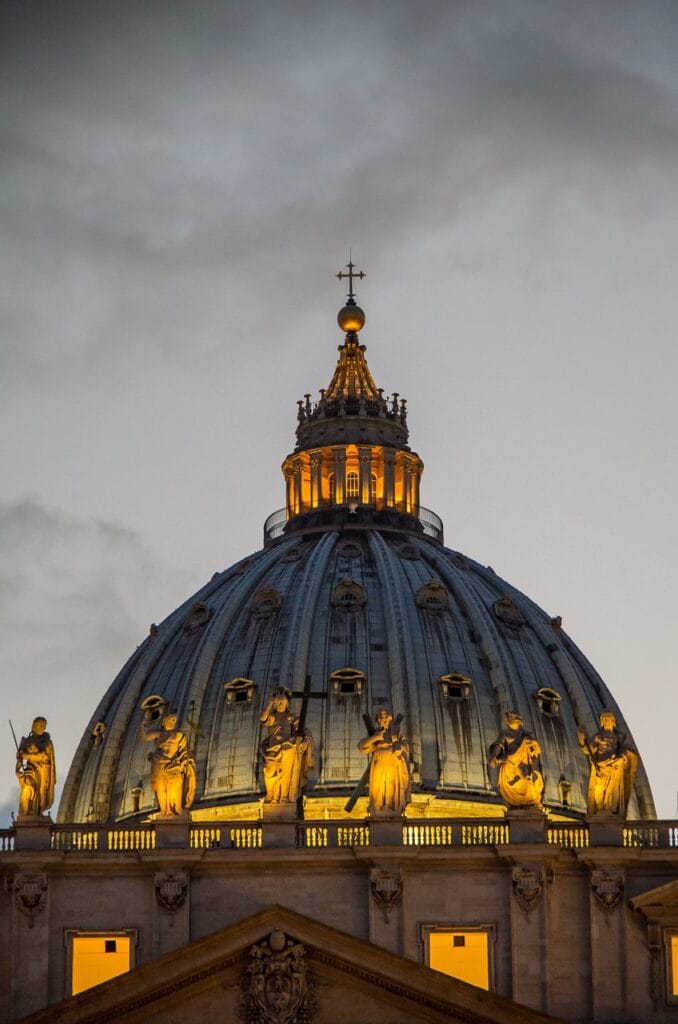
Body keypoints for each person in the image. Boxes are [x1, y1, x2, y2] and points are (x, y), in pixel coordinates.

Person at [577, 710, 637, 817]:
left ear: (613, 722)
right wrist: (582, 741)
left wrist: (621, 757)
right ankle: (600, 811)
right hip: (600, 767)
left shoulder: (619, 736)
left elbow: (627, 750)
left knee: (613, 792)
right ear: (601, 722)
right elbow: (588, 750)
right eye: (604, 720)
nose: (606, 722)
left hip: (614, 767)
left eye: (608, 719)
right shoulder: (597, 737)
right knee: (598, 791)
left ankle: (609, 812)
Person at [260, 689, 314, 804]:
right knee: (269, 772)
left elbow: (305, 731)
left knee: (286, 773)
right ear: (275, 704)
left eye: (283, 703)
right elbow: (263, 718)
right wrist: (269, 704)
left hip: (288, 747)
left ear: (287, 704)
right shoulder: (272, 717)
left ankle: (284, 796)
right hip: (273, 748)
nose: (281, 705)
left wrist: (306, 741)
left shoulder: (291, 718)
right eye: (278, 703)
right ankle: (272, 794)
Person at [358, 709, 411, 816]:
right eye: (381, 719)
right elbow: (362, 746)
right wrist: (375, 737)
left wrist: (398, 746)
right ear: (378, 721)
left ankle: (391, 808)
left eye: (385, 718)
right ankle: (378, 809)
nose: (383, 721)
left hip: (393, 764)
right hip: (379, 762)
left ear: (389, 719)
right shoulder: (375, 734)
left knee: (391, 788)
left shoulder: (397, 733)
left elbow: (405, 745)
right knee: (377, 788)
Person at [488, 711, 544, 809]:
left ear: (518, 722)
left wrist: (533, 744)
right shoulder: (505, 734)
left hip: (524, 766)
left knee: (529, 789)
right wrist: (496, 758)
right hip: (510, 767)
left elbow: (535, 753)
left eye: (512, 720)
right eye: (509, 721)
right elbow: (496, 754)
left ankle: (529, 805)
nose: (510, 723)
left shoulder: (527, 735)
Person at [145, 711, 196, 816]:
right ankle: (165, 811)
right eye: (172, 719)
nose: (174, 721)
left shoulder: (178, 735)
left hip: (173, 765)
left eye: (175, 720)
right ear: (164, 720)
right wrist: (143, 724)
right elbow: (145, 736)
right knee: (161, 789)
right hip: (159, 765)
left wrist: (186, 760)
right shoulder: (158, 734)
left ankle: (175, 810)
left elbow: (184, 751)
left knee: (175, 788)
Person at [16, 717, 56, 818]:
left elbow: (43, 756)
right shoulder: (26, 740)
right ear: (34, 726)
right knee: (29, 787)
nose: (42, 728)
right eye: (40, 725)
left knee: (41, 792)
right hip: (31, 770)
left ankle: (37, 812)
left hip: (43, 771)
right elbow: (19, 757)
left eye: (44, 726)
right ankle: (27, 812)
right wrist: (18, 769)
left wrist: (26, 755)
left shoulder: (46, 742)